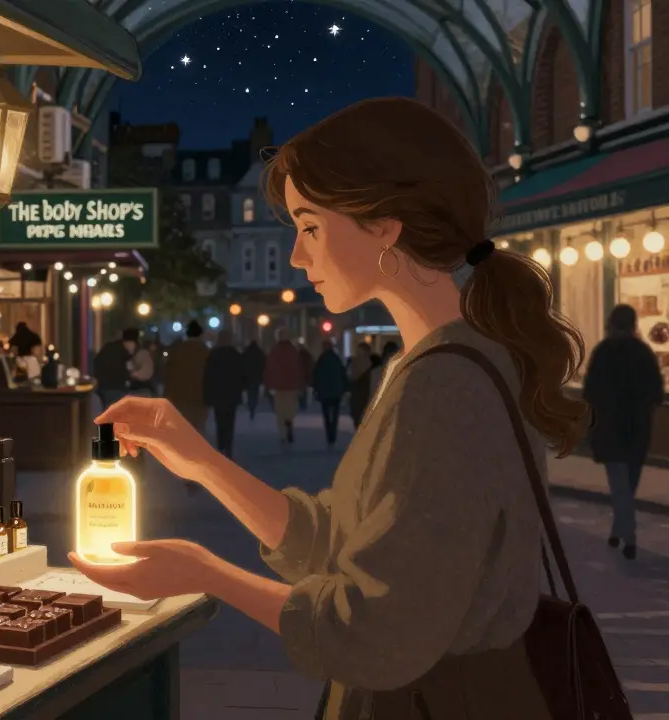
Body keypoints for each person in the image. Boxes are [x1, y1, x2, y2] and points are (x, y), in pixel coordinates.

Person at [70, 98, 581, 718]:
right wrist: (203, 462)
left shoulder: (443, 386)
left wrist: (207, 574)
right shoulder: (435, 362)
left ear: (384, 225)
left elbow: (376, 633)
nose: (296, 255)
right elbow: (340, 544)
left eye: (310, 227)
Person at [583, 304, 665, 559]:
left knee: (619, 486)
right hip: (637, 429)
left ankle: (626, 535)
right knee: (628, 485)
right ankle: (622, 534)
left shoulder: (603, 352)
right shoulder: (643, 352)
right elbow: (657, 391)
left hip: (610, 429)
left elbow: (590, 392)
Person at [203, 330, 246, 457]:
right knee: (230, 420)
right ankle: (228, 445)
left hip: (218, 392)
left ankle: (221, 444)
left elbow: (208, 375)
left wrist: (207, 393)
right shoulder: (236, 355)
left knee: (220, 420)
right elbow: (242, 375)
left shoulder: (213, 355)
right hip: (232, 393)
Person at [163, 320, 210, 434]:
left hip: (180, 396)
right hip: (200, 397)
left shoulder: (178, 351)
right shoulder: (206, 352)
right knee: (198, 429)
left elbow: (169, 373)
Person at [263, 328, 303, 445]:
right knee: (290, 408)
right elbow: (299, 369)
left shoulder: (274, 352)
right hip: (292, 385)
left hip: (278, 386)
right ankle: (289, 421)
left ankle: (283, 435)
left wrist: (268, 385)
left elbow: (269, 369)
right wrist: (300, 384)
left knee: (280, 411)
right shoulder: (293, 351)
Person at [311, 340, 348, 446]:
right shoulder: (336, 359)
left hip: (324, 391)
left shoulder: (321, 360)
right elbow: (342, 374)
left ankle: (329, 434)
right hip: (336, 391)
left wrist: (316, 389)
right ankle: (333, 432)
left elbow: (316, 375)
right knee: (335, 414)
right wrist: (344, 388)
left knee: (326, 414)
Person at [93, 328, 138, 409]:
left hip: (103, 387)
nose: (134, 348)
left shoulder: (109, 347)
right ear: (130, 343)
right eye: (134, 345)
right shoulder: (122, 353)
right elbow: (124, 372)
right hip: (114, 388)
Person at [346, 342, 373, 428]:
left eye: (360, 351)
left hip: (364, 394)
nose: (358, 353)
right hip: (357, 394)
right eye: (358, 351)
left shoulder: (370, 363)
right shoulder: (354, 362)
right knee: (357, 416)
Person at [240, 339, 266, 420]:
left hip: (248, 376)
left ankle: (250, 405)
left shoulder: (246, 353)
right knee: (255, 392)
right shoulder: (260, 353)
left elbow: (242, 364)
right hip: (257, 376)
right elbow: (263, 364)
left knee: (249, 392)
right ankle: (253, 405)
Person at [297, 342, 315, 411]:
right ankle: (305, 404)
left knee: (300, 391)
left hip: (300, 376)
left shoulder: (298, 355)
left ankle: (302, 404)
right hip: (307, 376)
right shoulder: (308, 356)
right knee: (306, 391)